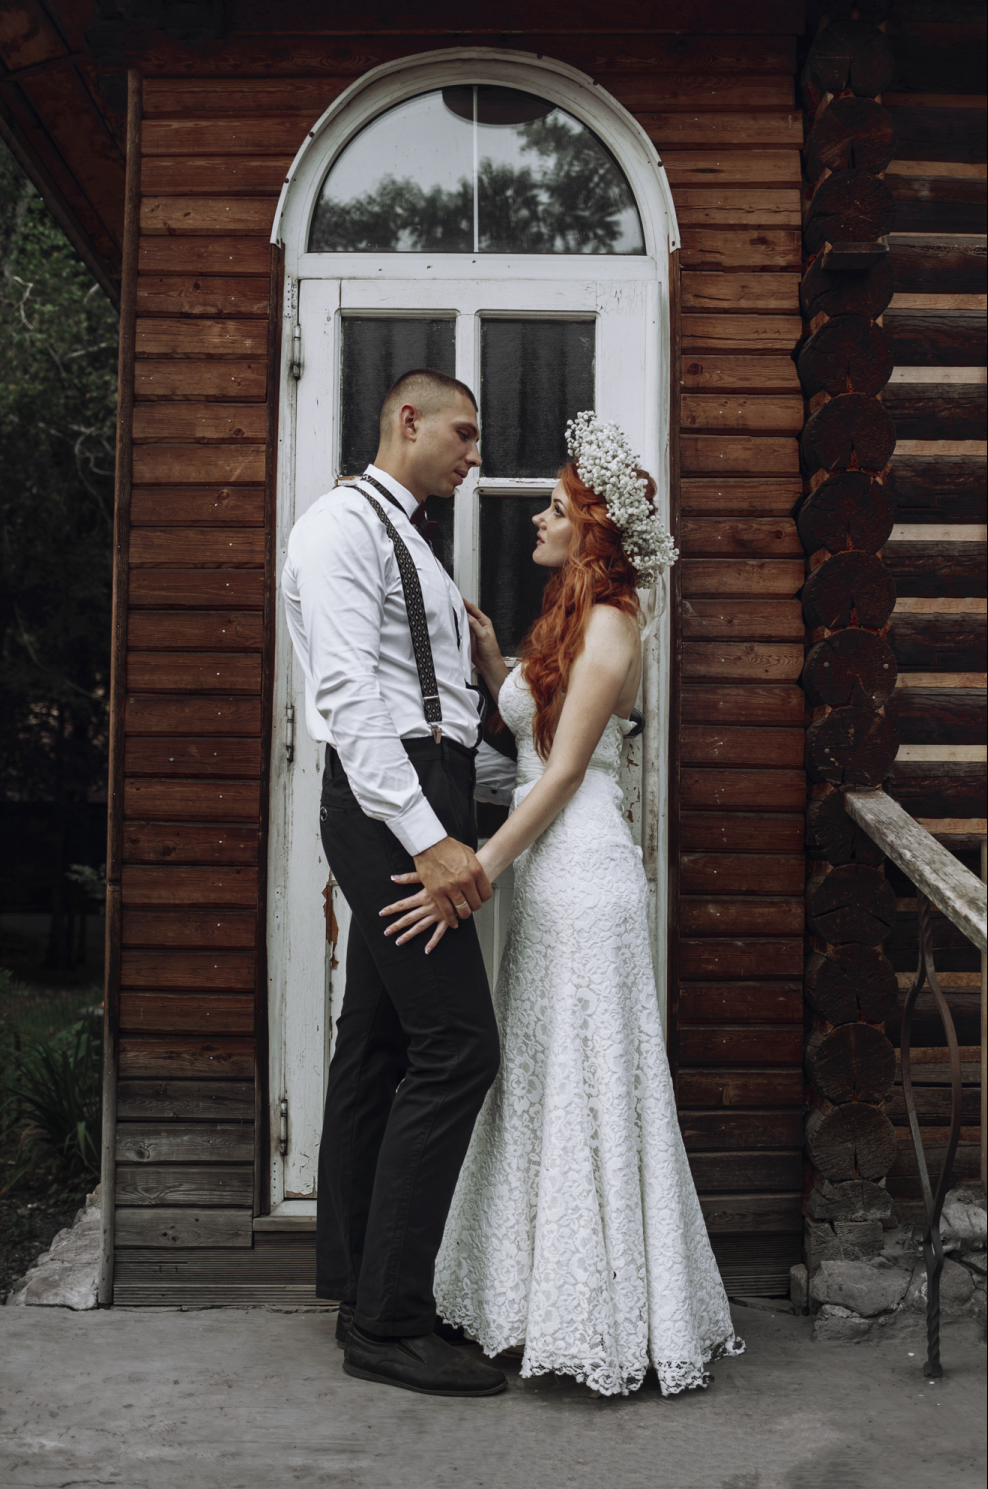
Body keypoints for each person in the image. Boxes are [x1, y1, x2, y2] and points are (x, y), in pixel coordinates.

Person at [381, 412, 745, 1397]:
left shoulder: (617, 622)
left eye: (553, 506)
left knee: (586, 1082)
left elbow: (563, 773)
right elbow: (542, 733)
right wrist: (493, 665)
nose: (537, 518)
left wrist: (475, 871)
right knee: (540, 1079)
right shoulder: (569, 617)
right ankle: (527, 1306)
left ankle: (604, 1322)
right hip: (549, 878)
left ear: (593, 527)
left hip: (583, 877)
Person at [281, 368, 512, 1398]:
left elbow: (439, 714)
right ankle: (390, 1323)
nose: (475, 454)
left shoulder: (413, 542)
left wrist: (518, 780)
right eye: (463, 433)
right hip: (386, 806)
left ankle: (362, 1291)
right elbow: (347, 696)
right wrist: (425, 837)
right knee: (458, 1047)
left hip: (425, 787)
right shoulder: (339, 525)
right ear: (407, 421)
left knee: (375, 1045)